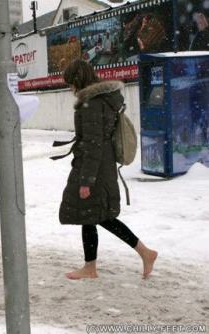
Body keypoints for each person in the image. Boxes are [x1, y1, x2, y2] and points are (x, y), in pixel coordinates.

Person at [59, 60, 158, 280]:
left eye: (70, 83)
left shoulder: (92, 103)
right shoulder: (102, 100)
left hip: (95, 168)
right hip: (101, 165)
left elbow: (93, 144)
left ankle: (144, 252)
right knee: (90, 215)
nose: (70, 89)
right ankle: (91, 266)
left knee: (101, 216)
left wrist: (86, 181)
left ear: (77, 80)